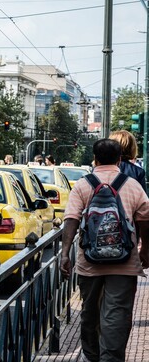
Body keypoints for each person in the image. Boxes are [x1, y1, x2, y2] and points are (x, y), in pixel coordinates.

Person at [60, 138, 149, 362]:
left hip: (89, 262)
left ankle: (91, 356)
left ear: (95, 159)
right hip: (125, 263)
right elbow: (146, 218)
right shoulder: (131, 184)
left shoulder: (83, 184)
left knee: (89, 313)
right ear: (120, 159)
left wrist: (65, 254)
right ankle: (111, 358)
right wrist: (145, 249)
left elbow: (71, 219)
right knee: (117, 314)